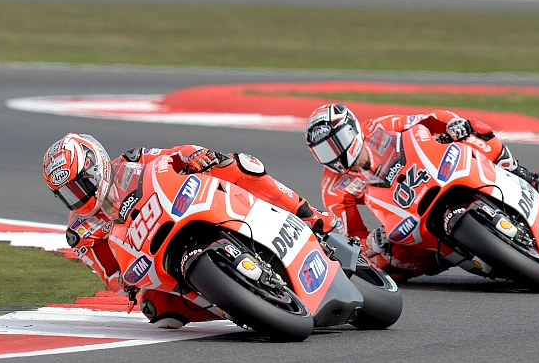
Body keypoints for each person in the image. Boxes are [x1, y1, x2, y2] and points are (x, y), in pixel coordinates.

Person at [42, 133, 335, 328]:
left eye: (81, 184)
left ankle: (311, 216)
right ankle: (239, 305)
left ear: (96, 166)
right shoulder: (80, 231)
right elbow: (109, 275)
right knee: (157, 312)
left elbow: (173, 155)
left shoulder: (130, 161)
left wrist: (195, 156)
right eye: (68, 193)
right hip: (151, 257)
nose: (79, 195)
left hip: (181, 207)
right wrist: (125, 284)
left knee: (239, 164)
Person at [305, 103, 539, 279]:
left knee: (473, 130)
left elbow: (428, 118)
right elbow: (351, 236)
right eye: (324, 151)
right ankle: (444, 256)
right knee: (384, 263)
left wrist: (453, 125)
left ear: (352, 129)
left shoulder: (379, 127)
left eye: (336, 143)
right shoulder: (333, 188)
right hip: (404, 210)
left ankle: (525, 175)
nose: (334, 155)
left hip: (431, 171)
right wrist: (371, 241)